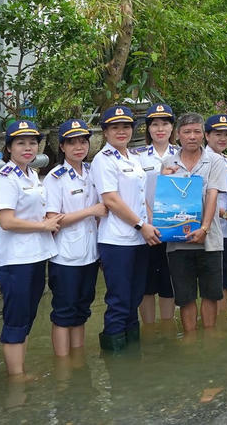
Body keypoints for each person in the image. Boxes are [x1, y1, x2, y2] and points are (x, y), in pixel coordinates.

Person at [0, 120, 58, 376]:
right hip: (15, 260)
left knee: (27, 318)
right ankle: (15, 380)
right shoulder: (5, 178)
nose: (28, 148)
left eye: (32, 143)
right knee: (16, 320)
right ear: (9, 147)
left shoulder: (30, 174)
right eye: (21, 143)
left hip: (36, 255)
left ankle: (20, 371)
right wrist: (44, 226)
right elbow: (7, 221)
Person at [92, 103, 160, 352]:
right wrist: (141, 225)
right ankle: (115, 360)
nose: (121, 132)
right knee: (119, 301)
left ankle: (132, 357)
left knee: (134, 300)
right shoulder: (103, 160)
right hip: (117, 241)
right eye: (115, 127)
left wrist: (151, 224)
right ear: (106, 132)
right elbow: (110, 200)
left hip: (139, 239)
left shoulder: (134, 158)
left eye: (126, 127)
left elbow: (141, 199)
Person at [44, 118, 106, 358]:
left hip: (90, 254)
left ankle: (78, 358)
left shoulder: (92, 172)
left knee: (82, 309)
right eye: (72, 143)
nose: (79, 147)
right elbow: (53, 220)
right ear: (62, 147)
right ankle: (63, 364)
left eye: (83, 141)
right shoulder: (55, 177)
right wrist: (91, 211)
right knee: (63, 312)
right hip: (66, 256)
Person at [161, 113, 227, 331]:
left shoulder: (216, 161)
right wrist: (166, 178)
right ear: (177, 135)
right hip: (177, 239)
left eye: (197, 132)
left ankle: (209, 336)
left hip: (210, 239)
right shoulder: (168, 162)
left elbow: (212, 194)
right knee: (185, 295)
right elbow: (165, 201)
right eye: (187, 132)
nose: (192, 136)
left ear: (204, 135)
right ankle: (190, 338)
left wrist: (204, 228)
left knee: (211, 293)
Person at [133, 103, 177, 324]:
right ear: (147, 129)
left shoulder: (181, 155)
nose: (160, 129)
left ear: (172, 128)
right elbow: (135, 193)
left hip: (175, 228)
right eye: (155, 124)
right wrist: (148, 218)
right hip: (146, 228)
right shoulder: (137, 157)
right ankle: (149, 328)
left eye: (165, 124)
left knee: (169, 281)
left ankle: (168, 327)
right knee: (146, 282)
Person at [204, 113, 227, 312]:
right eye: (218, 134)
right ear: (207, 136)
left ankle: (221, 320)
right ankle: (213, 325)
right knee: (213, 282)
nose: (223, 138)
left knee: (225, 278)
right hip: (212, 231)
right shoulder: (203, 160)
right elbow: (202, 200)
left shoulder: (226, 161)